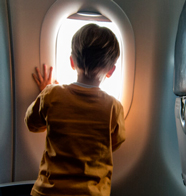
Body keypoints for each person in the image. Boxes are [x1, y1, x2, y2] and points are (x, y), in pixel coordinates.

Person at [25, 24, 126, 196]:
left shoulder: (51, 94)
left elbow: (32, 124)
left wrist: (44, 96)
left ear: (72, 61)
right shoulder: (113, 107)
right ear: (111, 71)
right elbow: (115, 142)